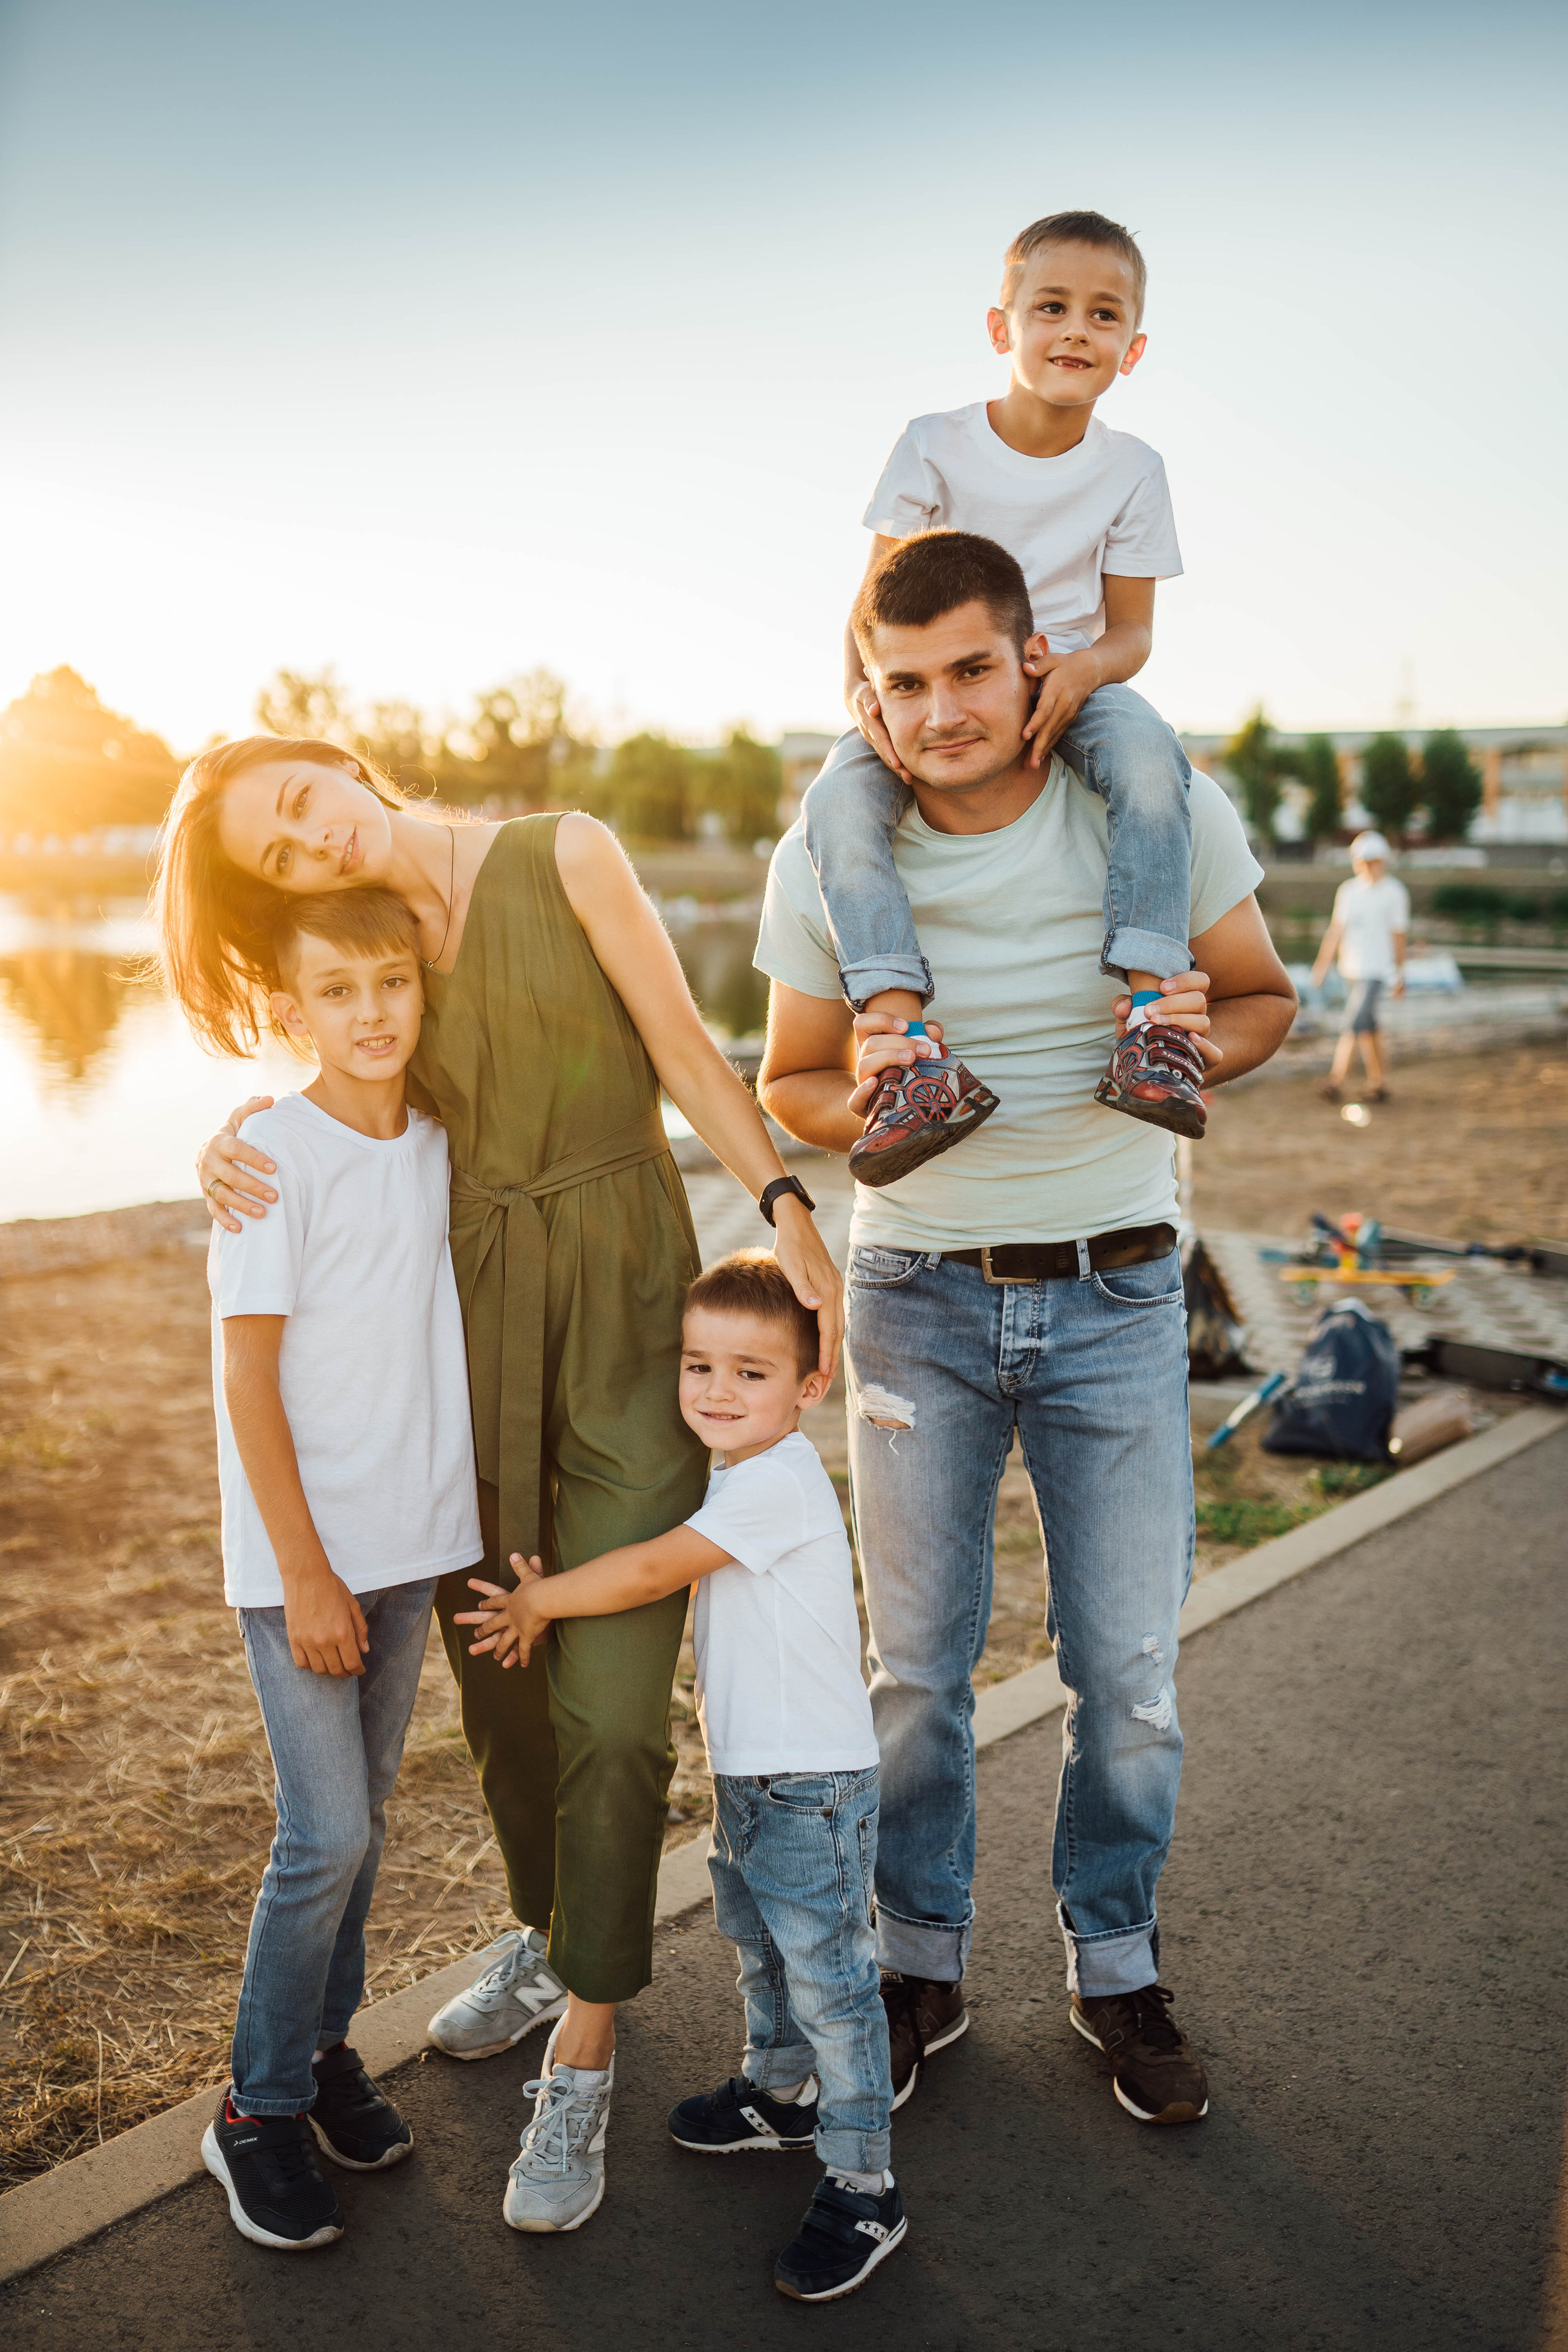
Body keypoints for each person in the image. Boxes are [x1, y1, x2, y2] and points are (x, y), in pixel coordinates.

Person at [160, 736, 843, 2233]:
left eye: (297, 804)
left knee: (606, 1700)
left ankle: (585, 2054)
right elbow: (348, 1076)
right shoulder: (380, 951)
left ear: (336, 763)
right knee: (506, 1686)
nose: (311, 844)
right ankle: (550, 1932)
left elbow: (678, 1045)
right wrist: (229, 1140)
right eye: (276, 859)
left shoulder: (564, 851)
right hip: (472, 1339)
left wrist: (784, 1200)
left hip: (618, 1310)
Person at [756, 530, 1297, 2125]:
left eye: (971, 671)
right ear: (867, 691)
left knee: (1125, 1674)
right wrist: (860, 1104)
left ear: (1036, 663)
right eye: (902, 684)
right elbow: (785, 1082)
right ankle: (920, 1961)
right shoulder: (831, 854)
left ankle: (1116, 1966)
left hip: (1122, 1292)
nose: (939, 712)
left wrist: (1209, 1029)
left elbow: (1264, 997)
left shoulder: (1155, 811)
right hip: (916, 1299)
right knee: (916, 1675)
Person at [457, 1251, 904, 2302]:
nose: (715, 1390)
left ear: (809, 1385)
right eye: (699, 1364)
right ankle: (780, 2093)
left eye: (751, 1372)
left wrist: (543, 1600)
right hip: (755, 1779)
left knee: (834, 1984)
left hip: (810, 1785)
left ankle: (864, 2182)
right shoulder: (738, 1471)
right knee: (759, 1948)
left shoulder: (778, 1482)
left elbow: (655, 1568)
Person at [802, 208, 1205, 1188]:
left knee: (1155, 764)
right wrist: (866, 696)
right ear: (1003, 329)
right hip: (943, 686)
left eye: (1103, 316)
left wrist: (1083, 671)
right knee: (836, 803)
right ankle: (905, 1052)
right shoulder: (934, 444)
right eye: (1052, 307)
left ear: (1133, 348)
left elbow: (1135, 632)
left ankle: (1152, 1022)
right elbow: (872, 602)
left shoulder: (1134, 470)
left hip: (1064, 678)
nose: (1076, 330)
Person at [200, 887, 481, 2251]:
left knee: (361, 1823)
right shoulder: (270, 1158)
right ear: (287, 1009)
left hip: (409, 1547)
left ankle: (319, 2057)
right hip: (299, 1562)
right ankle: (251, 2109)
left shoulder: (438, 1142)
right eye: (335, 992)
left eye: (390, 983)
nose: (369, 1014)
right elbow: (247, 1378)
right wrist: (305, 1575)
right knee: (325, 1833)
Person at [1311, 830, 1409, 1103]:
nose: (1367, 865)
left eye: (1372, 860)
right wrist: (1322, 965)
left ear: (1383, 860)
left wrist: (1400, 974)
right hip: (1351, 970)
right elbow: (1336, 931)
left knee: (1353, 1023)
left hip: (1378, 972)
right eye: (1362, 860)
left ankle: (1336, 1080)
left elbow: (1399, 936)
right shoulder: (1348, 891)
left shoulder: (1395, 892)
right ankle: (1380, 1083)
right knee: (1369, 1028)